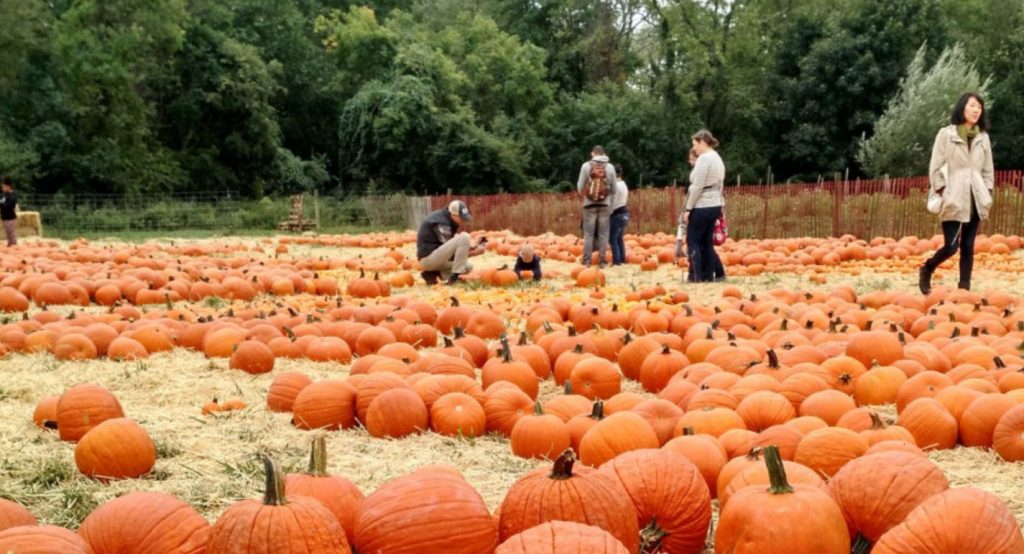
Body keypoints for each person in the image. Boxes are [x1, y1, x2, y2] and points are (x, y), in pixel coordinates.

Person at [919, 92, 995, 294]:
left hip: (975, 196)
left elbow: (988, 169)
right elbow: (935, 166)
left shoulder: (983, 138)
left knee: (968, 246)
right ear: (962, 108)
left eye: (979, 106)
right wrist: (943, 190)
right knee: (951, 246)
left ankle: (964, 290)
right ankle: (927, 268)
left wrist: (987, 191)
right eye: (972, 105)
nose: (976, 110)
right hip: (953, 195)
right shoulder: (946, 134)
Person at [680, 130, 725, 282]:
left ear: (702, 142)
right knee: (706, 242)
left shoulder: (704, 158)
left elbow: (698, 185)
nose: (694, 148)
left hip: (702, 205)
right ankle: (708, 275)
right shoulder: (717, 158)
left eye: (695, 144)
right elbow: (720, 183)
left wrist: (688, 208)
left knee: (693, 240)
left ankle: (695, 276)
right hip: (714, 204)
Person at [417, 200, 486, 285]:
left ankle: (432, 274)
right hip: (429, 259)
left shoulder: (446, 219)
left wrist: (473, 246)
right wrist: (475, 252)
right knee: (465, 236)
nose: (463, 220)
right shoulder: (442, 223)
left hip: (436, 258)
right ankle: (454, 278)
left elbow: (450, 248)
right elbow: (452, 254)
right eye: (461, 217)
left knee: (468, 267)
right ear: (453, 214)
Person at [577, 146, 617, 267]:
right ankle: (603, 261)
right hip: (604, 205)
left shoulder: (586, 166)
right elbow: (614, 189)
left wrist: (587, 195)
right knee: (603, 234)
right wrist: (606, 197)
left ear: (592, 153)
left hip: (589, 205)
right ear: (604, 154)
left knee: (588, 234)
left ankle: (587, 261)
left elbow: (579, 187)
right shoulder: (610, 167)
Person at [608, 164, 630, 265]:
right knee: (619, 238)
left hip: (617, 214)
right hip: (625, 212)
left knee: (612, 238)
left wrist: (608, 212)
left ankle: (616, 261)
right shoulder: (624, 184)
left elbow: (613, 202)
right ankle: (622, 259)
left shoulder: (615, 186)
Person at [0, 179, 16, 247]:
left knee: (11, 233)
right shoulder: (4, 195)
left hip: (10, 217)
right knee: (7, 233)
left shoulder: (12, 195)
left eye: (3, 187)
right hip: (4, 217)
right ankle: (10, 245)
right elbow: (2, 202)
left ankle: (14, 246)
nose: (2, 188)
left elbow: (9, 205)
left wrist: (1, 203)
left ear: (8, 186)